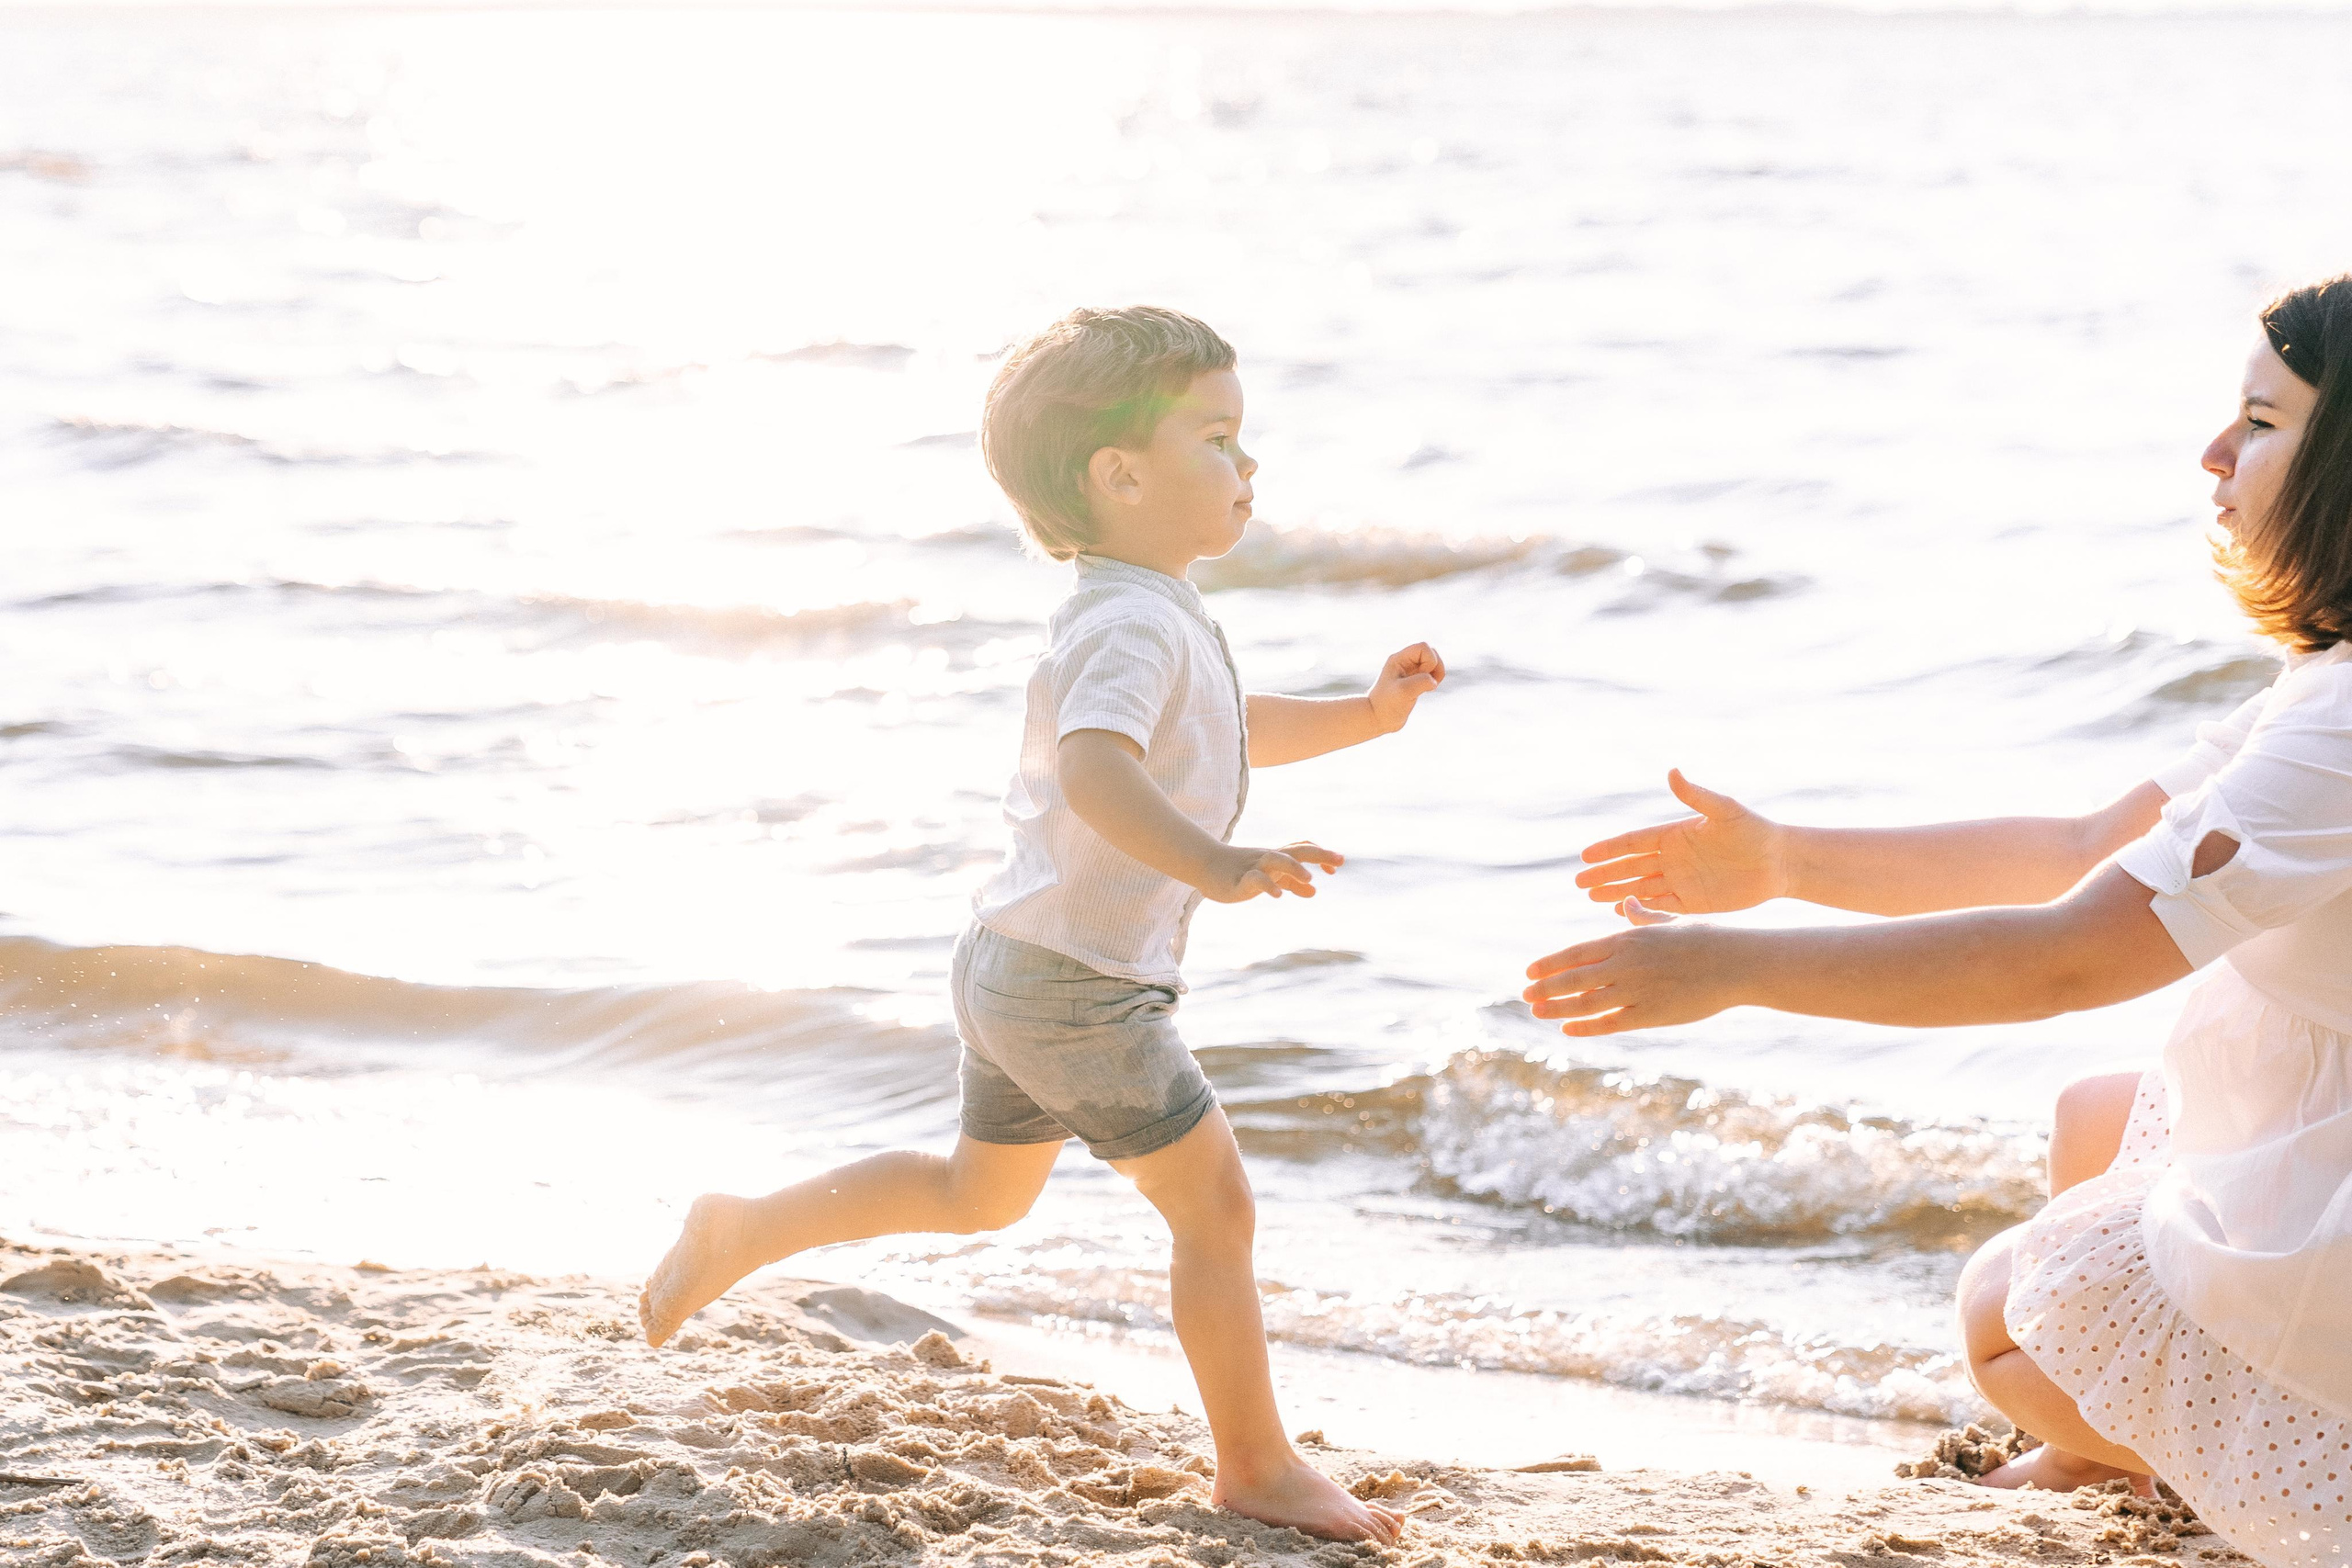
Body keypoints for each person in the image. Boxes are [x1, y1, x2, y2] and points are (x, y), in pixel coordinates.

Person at [1529, 276, 2352, 1568]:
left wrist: (1730, 970)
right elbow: (2079, 850)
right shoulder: (2326, 686)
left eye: (2259, 420)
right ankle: (2119, 1444)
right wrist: (1785, 858)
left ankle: (2242, 1467)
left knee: (2002, 1317)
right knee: (2096, 1119)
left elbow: (2062, 957)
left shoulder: (2340, 730)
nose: (2211, 453)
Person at [639, 306, 1444, 1545]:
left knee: (977, 1194)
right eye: (1219, 440)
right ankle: (1257, 1465)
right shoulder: (1130, 621)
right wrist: (1218, 862)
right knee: (1216, 1211)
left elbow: (1226, 731)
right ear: (1118, 476)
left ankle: (748, 1226)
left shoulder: (1144, 607)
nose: (1249, 467)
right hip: (1077, 989)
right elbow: (1098, 772)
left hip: (1017, 965)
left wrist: (1369, 717)